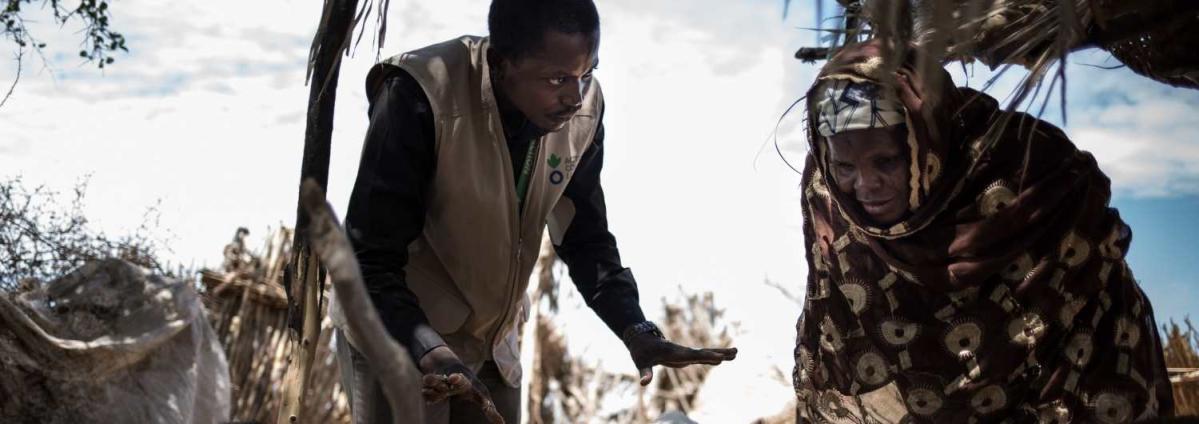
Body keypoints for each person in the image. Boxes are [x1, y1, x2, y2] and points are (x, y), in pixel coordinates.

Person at [332, 0, 737, 423]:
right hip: (399, 331)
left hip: (493, 342)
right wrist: (431, 351)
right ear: (499, 63)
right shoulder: (419, 93)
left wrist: (634, 327)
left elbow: (584, 239)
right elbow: (369, 261)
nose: (575, 97)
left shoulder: (582, 111)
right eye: (557, 79)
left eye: (588, 73)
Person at [791, 39, 1174, 422]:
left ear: (926, 135)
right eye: (845, 167)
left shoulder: (1026, 169)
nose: (865, 184)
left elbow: (1091, 282)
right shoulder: (830, 203)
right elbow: (838, 332)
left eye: (886, 161)